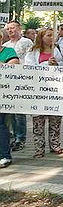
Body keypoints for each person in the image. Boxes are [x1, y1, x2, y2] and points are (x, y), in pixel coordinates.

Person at [24, 28, 63, 157]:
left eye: (53, 35)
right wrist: (45, 64)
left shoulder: (59, 50)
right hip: (38, 91)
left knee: (55, 119)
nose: (52, 38)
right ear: (41, 37)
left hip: (55, 90)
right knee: (38, 121)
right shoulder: (32, 52)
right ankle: (39, 149)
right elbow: (28, 68)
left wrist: (57, 64)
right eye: (49, 35)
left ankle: (55, 145)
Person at [2, 20, 32, 151]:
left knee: (19, 112)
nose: (10, 30)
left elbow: (30, 59)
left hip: (22, 79)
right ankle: (12, 136)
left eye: (13, 28)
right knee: (9, 112)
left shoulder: (27, 42)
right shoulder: (6, 45)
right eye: (8, 28)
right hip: (7, 83)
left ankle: (20, 138)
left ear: (19, 29)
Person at [0, 42, 19, 168]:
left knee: (0, 124)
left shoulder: (9, 51)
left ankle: (4, 155)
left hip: (3, 93)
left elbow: (14, 66)